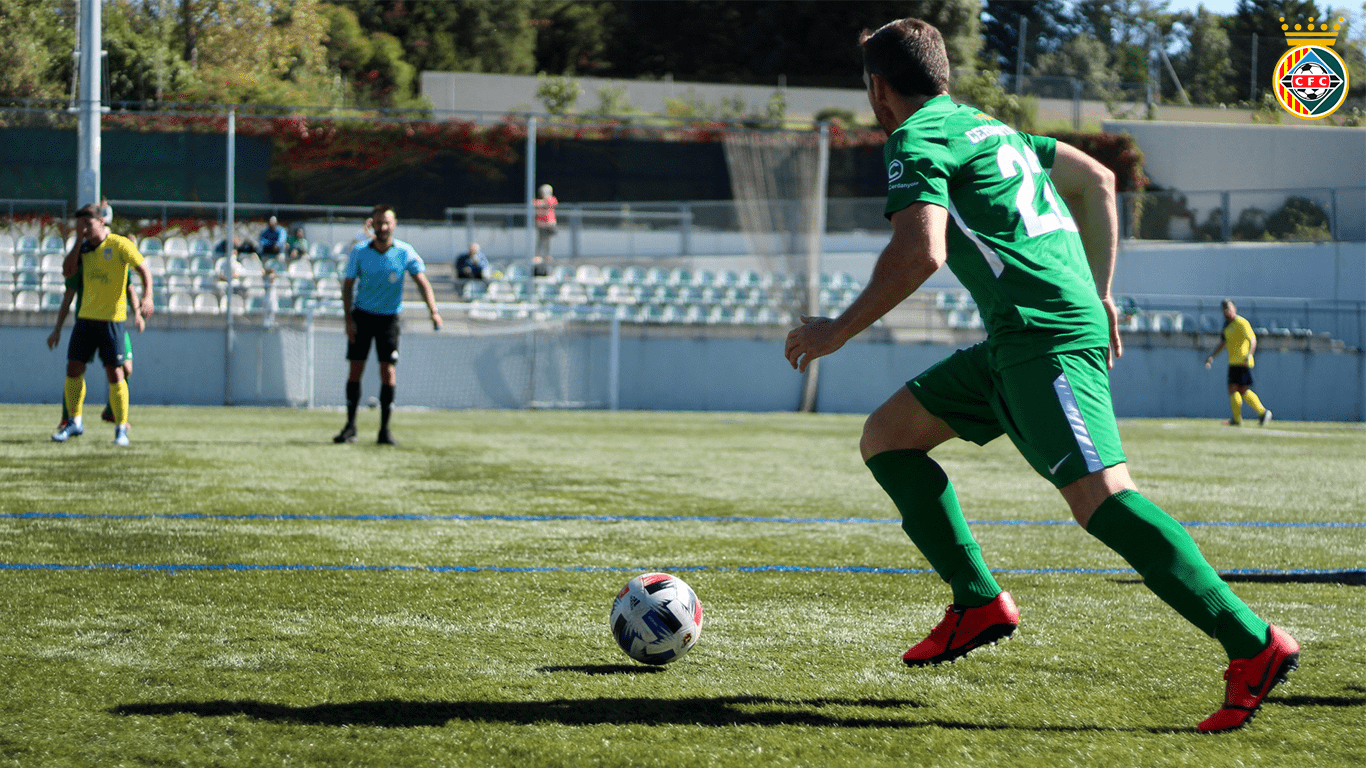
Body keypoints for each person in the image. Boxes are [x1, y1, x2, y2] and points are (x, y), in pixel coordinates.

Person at [783, 18, 1297, 734]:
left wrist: (834, 330)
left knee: (1102, 500)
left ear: (877, 89)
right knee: (888, 436)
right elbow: (1099, 178)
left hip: (1042, 338)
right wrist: (1103, 292)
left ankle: (1252, 643)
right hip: (1018, 337)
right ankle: (976, 600)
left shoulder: (916, 135)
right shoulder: (986, 126)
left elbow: (920, 252)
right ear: (944, 76)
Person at [334, 205, 442, 446]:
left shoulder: (405, 252)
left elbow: (422, 282)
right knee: (355, 369)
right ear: (372, 225)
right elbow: (348, 286)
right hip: (362, 316)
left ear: (394, 225)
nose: (383, 227)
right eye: (379, 223)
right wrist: (348, 320)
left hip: (389, 320)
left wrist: (433, 311)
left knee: (388, 372)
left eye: (387, 223)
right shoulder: (360, 251)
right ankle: (350, 426)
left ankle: (384, 430)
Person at [52, 204, 154, 447]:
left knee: (116, 372)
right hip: (86, 319)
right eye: (80, 225)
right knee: (73, 369)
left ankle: (121, 429)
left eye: (88, 223)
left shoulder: (119, 244)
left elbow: (143, 269)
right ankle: (74, 422)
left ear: (100, 222)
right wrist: (77, 242)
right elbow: (68, 273)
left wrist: (147, 297)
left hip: (112, 320)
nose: (84, 228)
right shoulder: (83, 248)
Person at [48, 256, 144, 428]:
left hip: (114, 324)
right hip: (86, 324)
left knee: (125, 369)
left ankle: (111, 412)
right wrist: (57, 329)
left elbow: (130, 289)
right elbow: (69, 294)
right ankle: (67, 418)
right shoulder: (84, 260)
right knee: (75, 369)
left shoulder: (119, 262)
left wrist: (137, 312)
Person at [1205, 299, 1271, 426]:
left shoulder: (1241, 322)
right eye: (1224, 309)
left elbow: (1252, 340)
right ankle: (1260, 414)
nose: (1226, 311)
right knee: (1240, 390)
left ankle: (1244, 417)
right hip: (1233, 362)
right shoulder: (1226, 326)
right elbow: (1223, 343)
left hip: (1243, 361)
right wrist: (1212, 356)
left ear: (1234, 309)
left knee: (1237, 389)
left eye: (1229, 308)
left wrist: (1249, 354)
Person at [534, 183, 558, 273]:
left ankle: (547, 255)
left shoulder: (552, 199)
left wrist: (544, 201)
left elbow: (552, 202)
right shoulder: (538, 201)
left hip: (549, 224)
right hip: (541, 224)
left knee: (547, 240)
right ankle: (538, 255)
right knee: (540, 240)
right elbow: (535, 203)